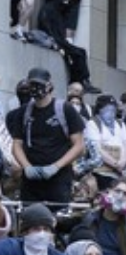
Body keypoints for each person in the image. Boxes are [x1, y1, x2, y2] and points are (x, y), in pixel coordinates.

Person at [7, 67, 86, 205]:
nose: (35, 89)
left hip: (59, 178)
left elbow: (78, 145)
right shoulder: (23, 112)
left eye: (39, 85)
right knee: (30, 217)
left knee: (58, 217)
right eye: (32, 85)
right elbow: (16, 144)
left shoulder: (65, 109)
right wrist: (26, 167)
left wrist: (56, 166)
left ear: (49, 86)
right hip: (31, 180)